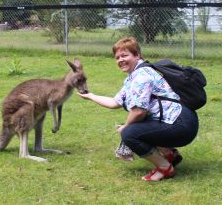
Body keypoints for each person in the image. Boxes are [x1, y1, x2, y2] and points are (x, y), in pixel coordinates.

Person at [78, 37, 199, 181]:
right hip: (182, 120)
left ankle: (165, 168)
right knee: (138, 127)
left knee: (130, 133)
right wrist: (90, 96)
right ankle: (170, 155)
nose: (120, 60)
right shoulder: (133, 76)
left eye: (125, 55)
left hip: (181, 124)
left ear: (137, 55)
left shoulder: (141, 76)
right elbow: (114, 102)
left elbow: (139, 111)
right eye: (117, 57)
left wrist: (125, 128)